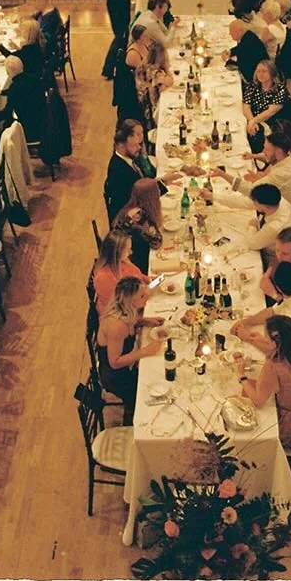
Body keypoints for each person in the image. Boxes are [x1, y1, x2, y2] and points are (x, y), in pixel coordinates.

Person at [234, 314, 291, 448]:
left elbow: (259, 401)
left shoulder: (274, 365)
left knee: (237, 402)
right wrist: (253, 339)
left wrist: (241, 375)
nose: (263, 338)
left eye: (266, 337)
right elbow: (274, 349)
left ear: (275, 343)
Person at [96, 275, 165, 425]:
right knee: (149, 395)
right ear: (131, 301)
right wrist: (145, 351)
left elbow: (131, 322)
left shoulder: (127, 310)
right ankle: (131, 424)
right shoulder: (116, 326)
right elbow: (114, 362)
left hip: (128, 366)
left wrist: (144, 321)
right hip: (116, 377)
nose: (147, 295)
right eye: (142, 296)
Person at [208, 125, 291, 209]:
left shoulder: (281, 174)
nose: (263, 152)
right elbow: (267, 158)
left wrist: (213, 196)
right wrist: (222, 174)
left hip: (281, 215)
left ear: (278, 152)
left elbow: (249, 195)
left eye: (267, 149)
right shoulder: (286, 160)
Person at [234, 262, 291, 346]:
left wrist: (248, 338)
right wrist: (246, 322)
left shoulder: (290, 321)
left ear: (278, 288)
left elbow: (275, 348)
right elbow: (272, 312)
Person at [105, 119, 178, 221]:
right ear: (121, 143)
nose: (139, 147)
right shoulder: (120, 171)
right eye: (136, 144)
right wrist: (162, 183)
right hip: (130, 221)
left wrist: (163, 180)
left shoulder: (127, 159)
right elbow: (143, 198)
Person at [0, 55, 47, 156]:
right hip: (42, 122)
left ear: (8, 73)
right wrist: (2, 92)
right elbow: (22, 91)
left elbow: (5, 114)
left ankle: (3, 163)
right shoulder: (34, 79)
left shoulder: (15, 88)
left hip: (29, 130)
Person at [110, 178, 165, 274]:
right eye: (157, 191)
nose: (159, 192)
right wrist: (153, 232)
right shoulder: (139, 216)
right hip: (131, 262)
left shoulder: (130, 207)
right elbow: (156, 242)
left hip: (119, 254)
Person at [233, 183, 291, 256]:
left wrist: (252, 226)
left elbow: (252, 244)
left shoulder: (275, 226)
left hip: (277, 255)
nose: (254, 204)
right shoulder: (277, 200)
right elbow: (248, 203)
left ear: (266, 207)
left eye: (256, 203)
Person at [241, 60, 291, 151]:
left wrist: (253, 122)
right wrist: (252, 121)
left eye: (264, 71)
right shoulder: (253, 86)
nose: (260, 74)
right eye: (258, 71)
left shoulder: (280, 90)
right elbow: (246, 105)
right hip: (256, 121)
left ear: (272, 73)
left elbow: (270, 112)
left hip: (274, 124)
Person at [93, 229, 144, 314]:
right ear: (116, 253)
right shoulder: (103, 279)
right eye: (127, 250)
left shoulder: (123, 261)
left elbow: (137, 275)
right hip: (121, 315)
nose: (131, 252)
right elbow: (119, 310)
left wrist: (147, 279)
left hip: (135, 303)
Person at [125, 23, 171, 115]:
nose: (148, 37)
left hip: (150, 82)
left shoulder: (145, 45)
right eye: (145, 36)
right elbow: (145, 73)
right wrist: (163, 74)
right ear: (138, 38)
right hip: (144, 93)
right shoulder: (133, 53)